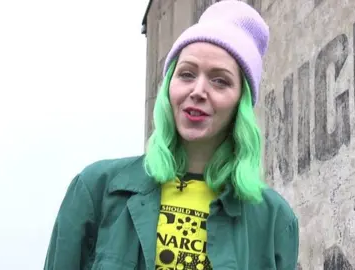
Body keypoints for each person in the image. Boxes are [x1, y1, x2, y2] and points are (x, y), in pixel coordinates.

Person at [44, 1, 299, 269]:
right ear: (168, 88)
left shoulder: (275, 221)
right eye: (187, 74)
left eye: (220, 80)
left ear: (241, 104)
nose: (198, 90)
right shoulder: (97, 189)